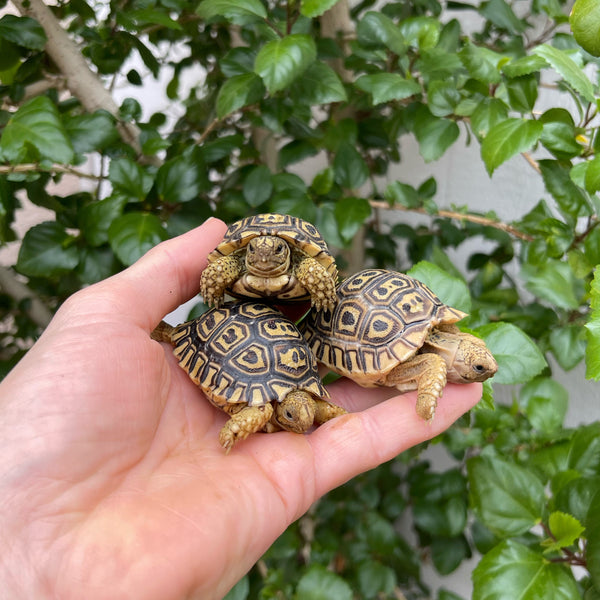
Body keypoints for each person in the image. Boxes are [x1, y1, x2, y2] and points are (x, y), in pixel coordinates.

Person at [0, 217, 482, 599]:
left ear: (288, 253)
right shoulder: (234, 266)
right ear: (247, 252)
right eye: (258, 250)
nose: (267, 253)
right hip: (243, 339)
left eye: (276, 250)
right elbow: (219, 277)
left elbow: (316, 380)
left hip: (284, 353)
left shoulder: (307, 272)